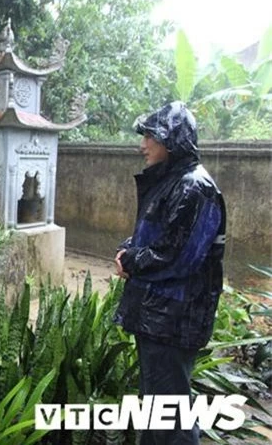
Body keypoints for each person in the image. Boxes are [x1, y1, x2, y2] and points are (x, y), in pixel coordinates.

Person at [113, 101, 226, 445]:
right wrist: (127, 249)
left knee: (170, 413)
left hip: (174, 318)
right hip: (158, 315)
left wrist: (131, 260)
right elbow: (155, 235)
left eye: (150, 136)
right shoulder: (172, 182)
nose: (142, 144)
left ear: (171, 140)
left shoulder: (195, 188)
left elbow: (178, 258)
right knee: (157, 407)